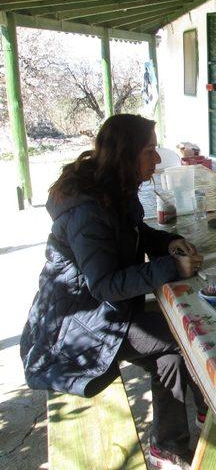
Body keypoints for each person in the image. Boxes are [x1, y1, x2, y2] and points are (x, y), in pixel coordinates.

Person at [20, 114, 206, 470]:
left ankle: (170, 444)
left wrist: (170, 243)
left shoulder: (113, 188)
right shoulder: (88, 211)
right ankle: (202, 415)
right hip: (78, 325)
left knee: (172, 350)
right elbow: (104, 285)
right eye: (149, 150)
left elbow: (135, 233)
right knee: (186, 337)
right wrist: (170, 268)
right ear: (125, 155)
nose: (156, 159)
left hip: (104, 312)